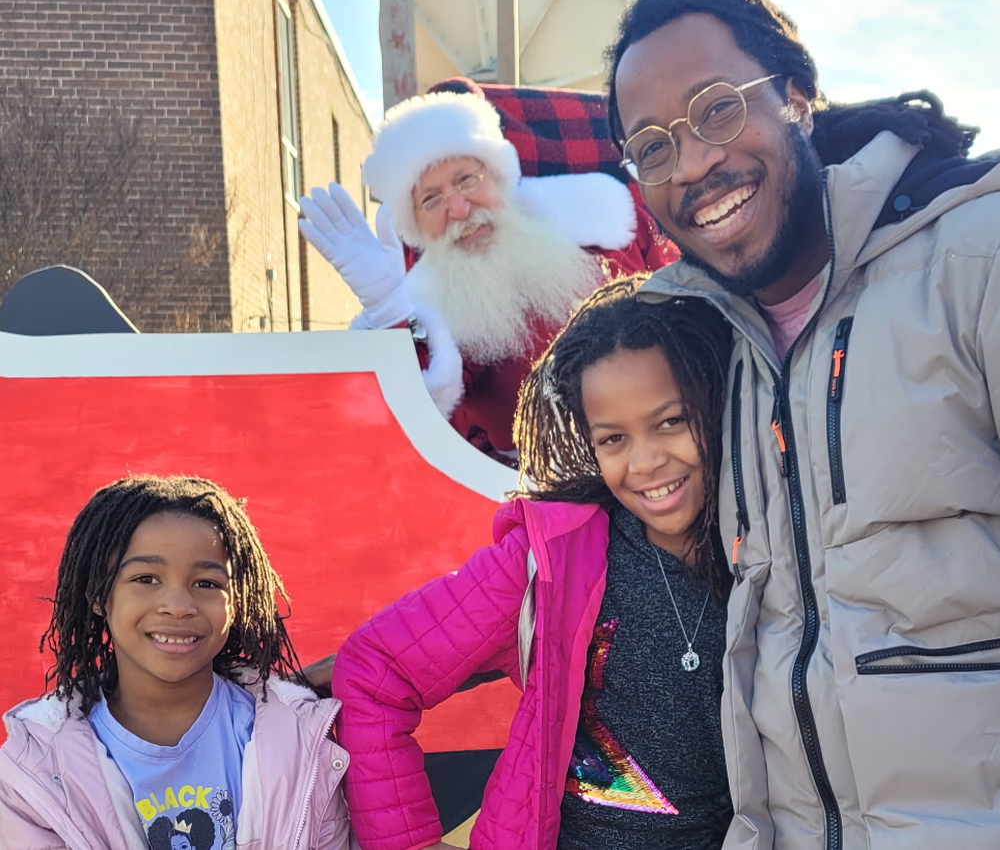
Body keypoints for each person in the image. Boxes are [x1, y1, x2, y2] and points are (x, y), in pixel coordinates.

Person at [608, 0, 1000, 850]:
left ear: (795, 96)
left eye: (718, 109)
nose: (691, 163)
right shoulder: (708, 352)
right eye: (653, 147)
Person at [332, 277, 734, 850]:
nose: (645, 462)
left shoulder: (774, 551)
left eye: (671, 422)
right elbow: (375, 670)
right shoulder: (551, 562)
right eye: (613, 439)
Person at [300, 90, 677, 463]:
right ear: (415, 225)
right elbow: (415, 424)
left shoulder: (610, 222)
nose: (459, 209)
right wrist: (389, 309)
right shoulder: (430, 312)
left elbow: (686, 306)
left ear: (498, 175)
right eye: (431, 199)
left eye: (466, 179)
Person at [0, 475, 354, 849]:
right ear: (98, 595)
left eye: (206, 583)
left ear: (237, 601)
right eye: (146, 578)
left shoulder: (301, 738)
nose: (178, 606)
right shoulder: (33, 767)